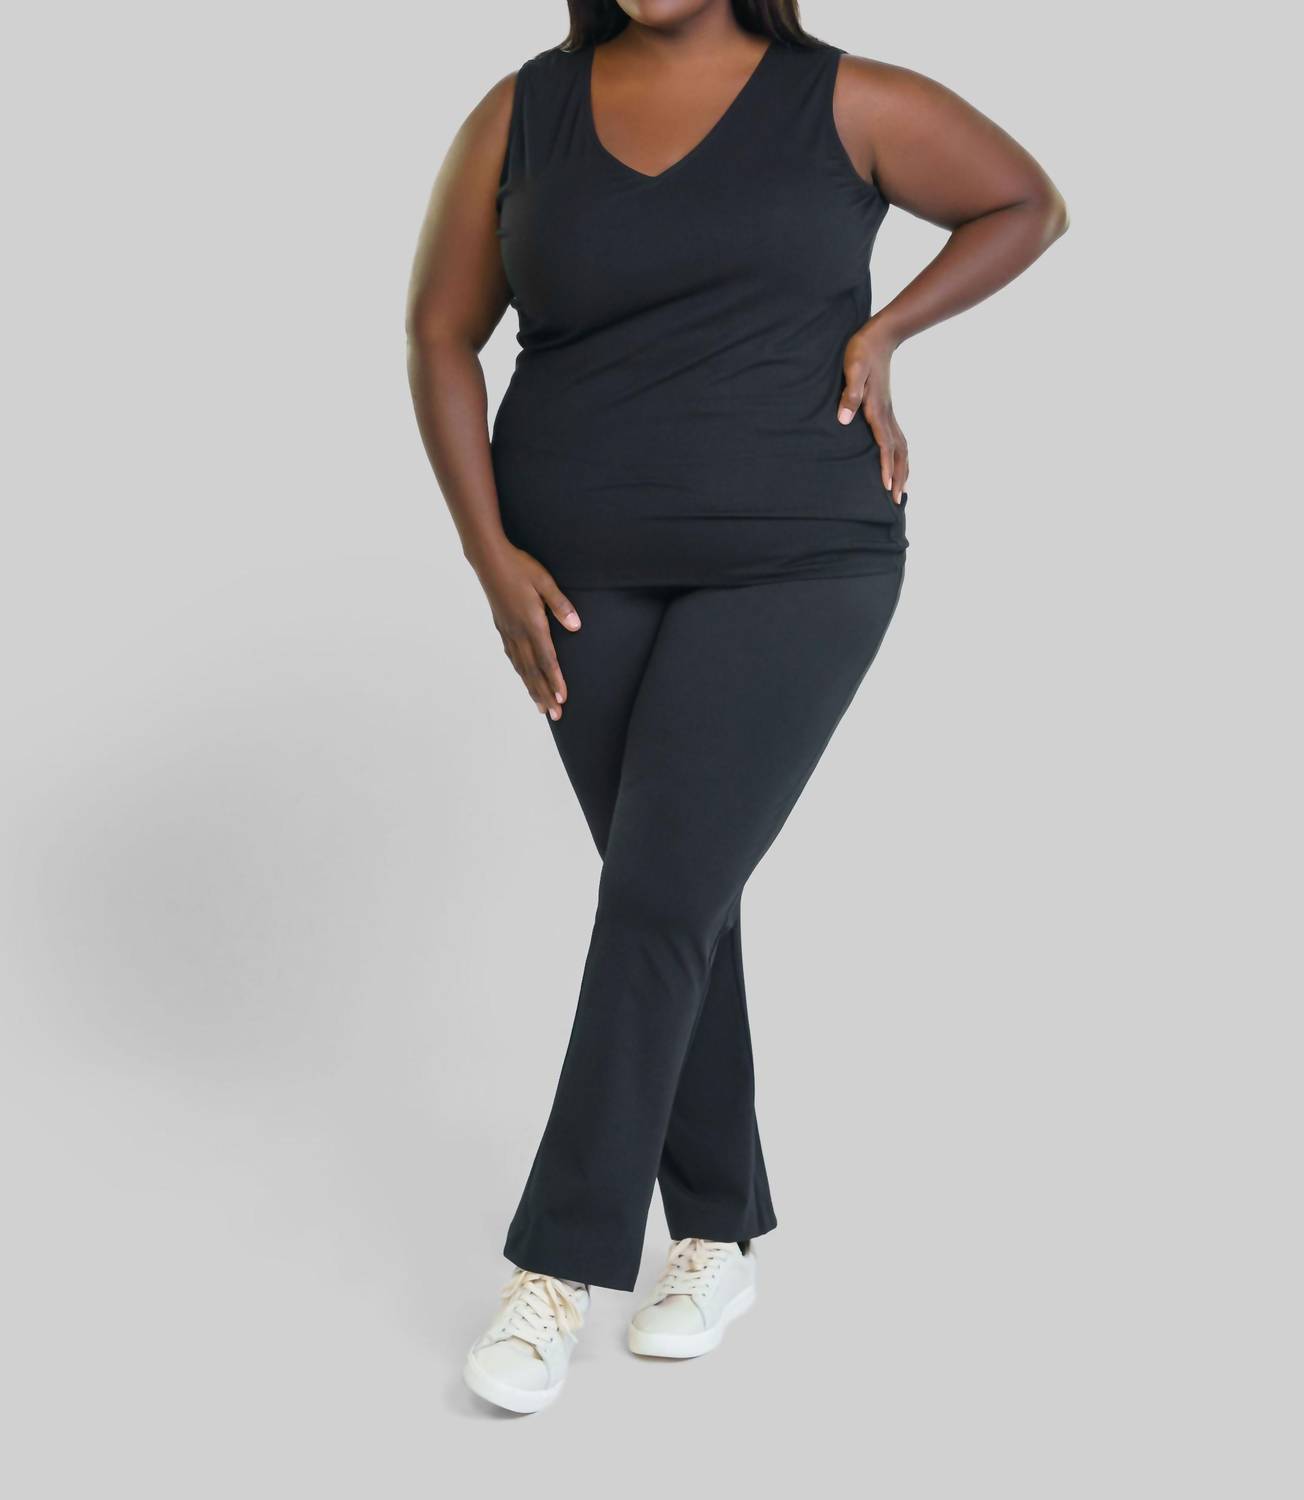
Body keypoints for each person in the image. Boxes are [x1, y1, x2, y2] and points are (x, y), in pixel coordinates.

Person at [406, 0, 1067, 1414]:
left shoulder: (847, 101)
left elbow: (1025, 202)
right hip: (573, 572)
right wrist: (487, 556)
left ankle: (555, 1266)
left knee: (657, 896)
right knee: (676, 892)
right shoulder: (522, 113)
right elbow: (440, 333)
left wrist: (887, 330)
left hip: (798, 559)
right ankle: (716, 1233)